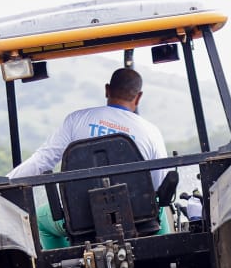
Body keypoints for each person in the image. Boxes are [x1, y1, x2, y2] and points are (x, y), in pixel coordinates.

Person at [9, 67, 170, 190]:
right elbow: (158, 184)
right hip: (138, 217)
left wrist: (4, 185)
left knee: (43, 223)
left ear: (107, 90)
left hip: (81, 215)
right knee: (162, 214)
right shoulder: (151, 132)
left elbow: (42, 160)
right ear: (138, 97)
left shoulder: (77, 120)